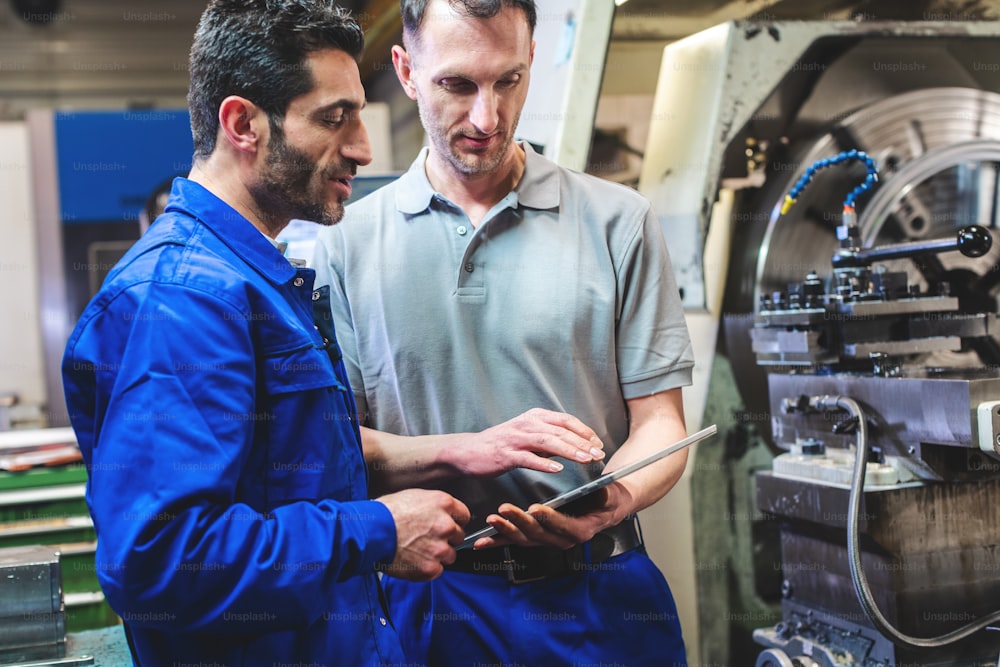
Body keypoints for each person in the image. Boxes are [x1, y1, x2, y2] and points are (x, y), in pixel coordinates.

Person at [61, 2, 481, 664]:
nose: (363, 148)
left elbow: (288, 463)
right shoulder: (181, 298)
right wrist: (376, 529)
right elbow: (163, 561)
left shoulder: (251, 277)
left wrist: (460, 450)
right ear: (242, 124)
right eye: (333, 118)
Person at [311, 0, 695, 665]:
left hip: (601, 596)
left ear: (532, 64)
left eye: (508, 81)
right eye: (457, 85)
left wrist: (609, 502)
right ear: (405, 70)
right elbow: (341, 443)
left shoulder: (619, 222)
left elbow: (662, 424)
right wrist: (469, 448)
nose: (486, 117)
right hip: (435, 604)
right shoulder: (345, 247)